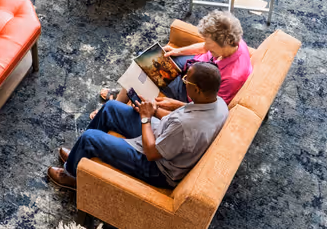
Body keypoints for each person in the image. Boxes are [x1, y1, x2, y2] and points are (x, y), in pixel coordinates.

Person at [47, 61, 228, 192]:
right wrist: (155, 110)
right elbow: (179, 119)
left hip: (157, 167)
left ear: (197, 90)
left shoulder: (185, 126)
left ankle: (72, 176)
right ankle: (80, 156)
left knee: (89, 138)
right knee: (111, 108)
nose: (184, 81)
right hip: (164, 136)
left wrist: (145, 118)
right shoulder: (218, 103)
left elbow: (151, 153)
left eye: (186, 80)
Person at [103, 11, 252, 108]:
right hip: (194, 63)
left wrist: (175, 105)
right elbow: (203, 48)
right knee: (146, 57)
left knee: (144, 67)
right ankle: (123, 95)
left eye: (209, 44)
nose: (206, 46)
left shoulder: (233, 77)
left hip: (190, 88)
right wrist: (177, 51)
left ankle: (115, 105)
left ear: (225, 44)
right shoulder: (233, 40)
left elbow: (208, 108)